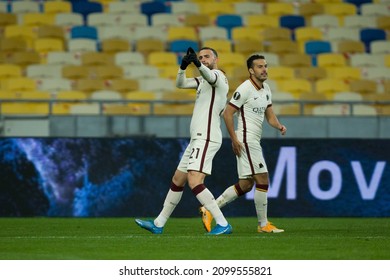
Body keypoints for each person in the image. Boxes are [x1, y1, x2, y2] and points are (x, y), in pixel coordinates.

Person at [135, 47, 232, 235]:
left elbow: (210, 77)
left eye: (206, 57)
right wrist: (183, 66)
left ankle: (222, 223)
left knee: (194, 180)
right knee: (178, 179)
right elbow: (180, 83)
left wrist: (196, 63)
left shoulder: (219, 76)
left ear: (216, 59)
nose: (203, 59)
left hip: (207, 136)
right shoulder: (202, 80)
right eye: (201, 57)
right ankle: (159, 223)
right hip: (197, 138)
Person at [200, 54, 287, 234]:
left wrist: (279, 126)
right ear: (251, 70)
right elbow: (227, 113)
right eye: (260, 67)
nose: (264, 69)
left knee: (246, 184)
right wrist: (234, 139)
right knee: (263, 179)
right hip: (246, 140)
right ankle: (263, 225)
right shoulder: (245, 89)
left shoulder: (266, 89)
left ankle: (209, 209)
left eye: (265, 66)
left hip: (253, 140)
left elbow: (270, 116)